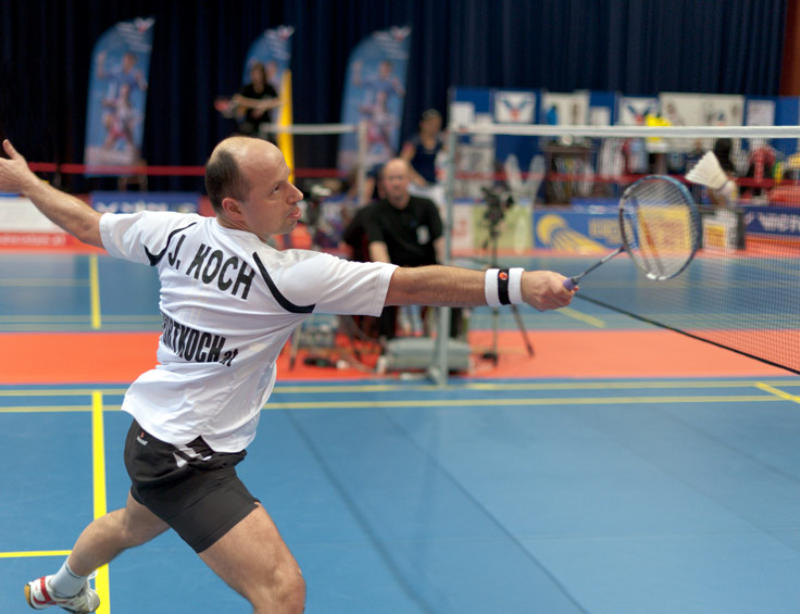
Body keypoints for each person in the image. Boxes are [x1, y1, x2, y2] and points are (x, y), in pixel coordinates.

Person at [0, 136, 574, 614]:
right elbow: (412, 284)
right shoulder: (289, 276)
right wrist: (519, 284)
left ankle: (60, 588)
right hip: (186, 457)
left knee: (129, 525)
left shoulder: (172, 232)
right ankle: (64, 586)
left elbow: (87, 224)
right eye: (277, 189)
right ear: (233, 207)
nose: (297, 196)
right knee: (282, 592)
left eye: (290, 181)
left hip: (151, 438)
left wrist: (26, 182)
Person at [363, 158, 457, 339]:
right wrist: (390, 276)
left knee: (454, 286)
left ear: (408, 180)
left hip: (428, 268)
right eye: (391, 178)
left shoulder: (427, 206)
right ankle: (387, 342)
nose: (396, 183)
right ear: (383, 183)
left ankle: (451, 340)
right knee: (381, 288)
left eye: (400, 177)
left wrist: (448, 269)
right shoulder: (374, 212)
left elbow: (440, 243)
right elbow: (377, 248)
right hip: (395, 271)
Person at [232, 62, 281, 141]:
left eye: (258, 74)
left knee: (272, 141)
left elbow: (278, 102)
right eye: (254, 74)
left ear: (263, 74)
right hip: (250, 124)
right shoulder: (247, 88)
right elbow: (238, 99)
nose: (256, 76)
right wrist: (259, 105)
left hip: (265, 124)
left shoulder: (269, 88)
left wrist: (263, 107)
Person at [400, 109, 445, 186]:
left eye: (437, 124)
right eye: (431, 124)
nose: (434, 127)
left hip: (434, 184)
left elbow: (451, 159)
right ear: (422, 124)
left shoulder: (440, 142)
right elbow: (403, 162)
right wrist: (415, 177)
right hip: (415, 185)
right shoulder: (413, 142)